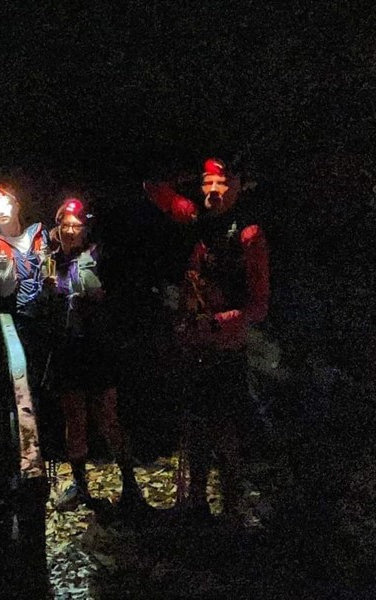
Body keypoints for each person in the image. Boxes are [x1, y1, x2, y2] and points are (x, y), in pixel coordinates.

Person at [144, 157, 270, 522]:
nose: (213, 190)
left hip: (227, 348)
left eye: (221, 183)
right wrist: (183, 179)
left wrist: (218, 323)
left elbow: (259, 305)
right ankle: (197, 502)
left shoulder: (248, 234)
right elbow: (153, 188)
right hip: (196, 344)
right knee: (195, 425)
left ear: (238, 186)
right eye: (207, 183)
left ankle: (231, 508)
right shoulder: (199, 224)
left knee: (225, 429)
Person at [0, 184, 54, 592]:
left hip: (44, 321)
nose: (0, 210)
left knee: (44, 389)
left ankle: (47, 454)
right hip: (10, 320)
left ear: (17, 204)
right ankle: (26, 462)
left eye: (4, 203)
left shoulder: (39, 234)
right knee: (20, 393)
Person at [43, 197, 145, 512]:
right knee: (74, 419)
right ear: (57, 228)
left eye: (76, 225)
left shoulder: (99, 256)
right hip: (67, 349)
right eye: (65, 225)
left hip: (98, 347)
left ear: (85, 229)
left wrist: (100, 297)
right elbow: (43, 302)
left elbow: (119, 292)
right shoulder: (49, 261)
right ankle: (80, 486)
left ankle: (130, 485)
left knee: (108, 418)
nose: (71, 230)